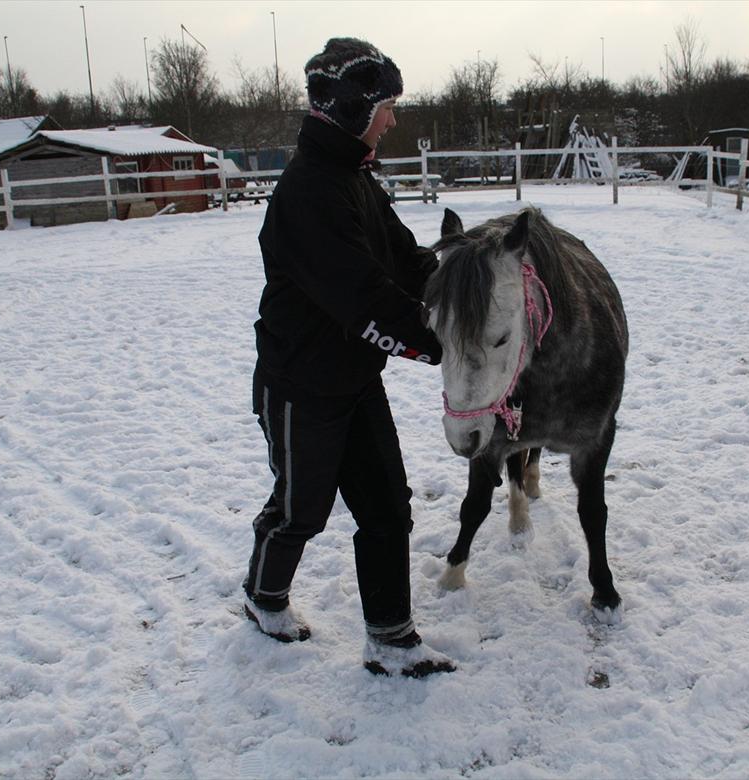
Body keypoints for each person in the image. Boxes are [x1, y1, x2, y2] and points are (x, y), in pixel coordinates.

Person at [244, 37, 454, 678]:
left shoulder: (356, 178)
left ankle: (391, 640)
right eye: (386, 105)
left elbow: (405, 260)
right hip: (301, 385)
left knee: (388, 506)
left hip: (357, 378)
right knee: (299, 511)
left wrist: (458, 287)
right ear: (353, 107)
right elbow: (361, 299)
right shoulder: (310, 191)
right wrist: (438, 344)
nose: (394, 119)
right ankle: (263, 596)